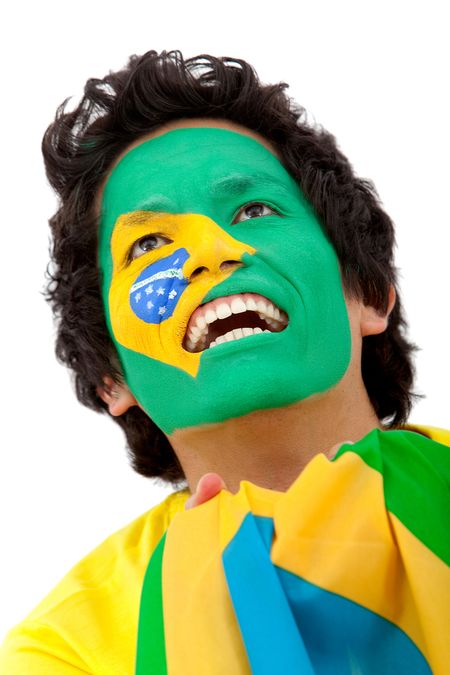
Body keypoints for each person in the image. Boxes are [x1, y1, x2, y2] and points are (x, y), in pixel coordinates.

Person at [1, 49, 448, 674]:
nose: (211, 254)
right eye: (150, 243)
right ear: (111, 377)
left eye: (254, 211)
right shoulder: (67, 651)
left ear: (368, 293)